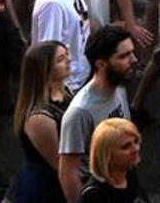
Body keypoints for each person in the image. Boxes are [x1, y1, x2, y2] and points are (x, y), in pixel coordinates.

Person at [57, 26, 136, 203]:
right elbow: (68, 170)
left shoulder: (119, 90)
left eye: (132, 53)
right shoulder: (80, 112)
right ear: (101, 64)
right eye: (123, 56)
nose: (134, 60)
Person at [10, 41, 71, 203]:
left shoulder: (66, 92)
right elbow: (60, 164)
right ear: (44, 70)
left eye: (67, 55)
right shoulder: (39, 117)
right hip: (47, 186)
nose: (69, 60)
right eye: (60, 59)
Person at [78, 117, 149, 203]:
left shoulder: (129, 173)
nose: (135, 149)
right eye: (126, 146)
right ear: (107, 156)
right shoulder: (94, 196)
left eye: (136, 141)